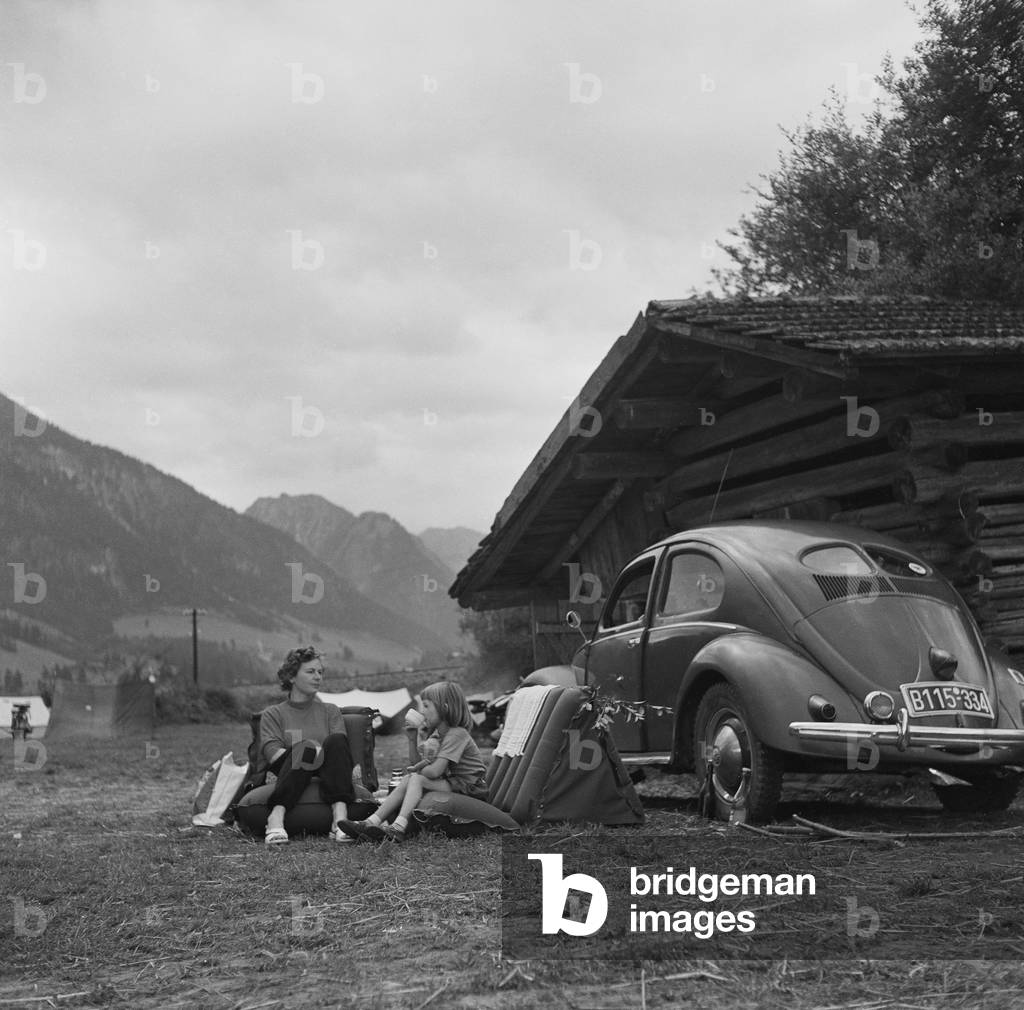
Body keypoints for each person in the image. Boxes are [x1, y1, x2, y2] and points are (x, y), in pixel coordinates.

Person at [338, 681, 487, 842]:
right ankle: (370, 822)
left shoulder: (457, 734)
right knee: (411, 778)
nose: (422, 711)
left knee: (415, 778)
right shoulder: (438, 735)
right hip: (453, 782)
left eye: (426, 706)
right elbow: (421, 762)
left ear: (445, 708)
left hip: (470, 788)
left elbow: (434, 771)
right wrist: (412, 739)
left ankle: (399, 827)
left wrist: (418, 773)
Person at [259, 646, 357, 845]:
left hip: (329, 772)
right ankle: (275, 816)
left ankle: (339, 817)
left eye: (320, 672)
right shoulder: (273, 714)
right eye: (311, 671)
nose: (318, 677)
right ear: (292, 677)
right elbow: (273, 755)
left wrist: (316, 754)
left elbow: (339, 752)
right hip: (290, 770)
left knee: (337, 741)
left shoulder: (330, 711)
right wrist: (309, 751)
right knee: (306, 749)